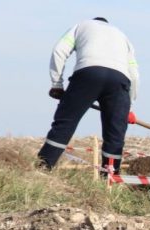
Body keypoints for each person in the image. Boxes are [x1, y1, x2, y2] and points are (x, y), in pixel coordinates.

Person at [37, 17, 138, 175]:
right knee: (115, 133)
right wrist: (128, 107)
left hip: (88, 73)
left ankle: (43, 168)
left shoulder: (81, 26)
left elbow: (59, 50)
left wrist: (57, 84)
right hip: (119, 80)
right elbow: (134, 74)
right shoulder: (122, 36)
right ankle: (110, 178)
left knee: (66, 122)